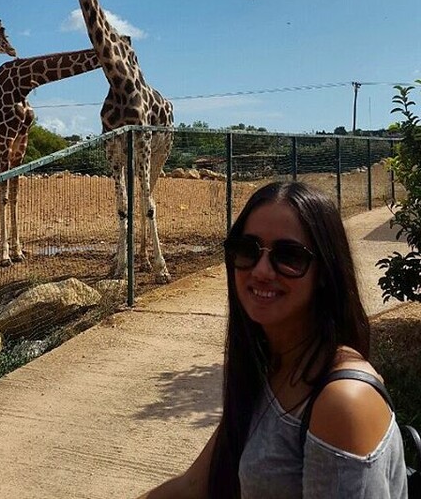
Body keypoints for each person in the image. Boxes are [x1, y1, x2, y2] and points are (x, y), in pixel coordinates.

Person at [136, 180, 407, 498]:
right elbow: (193, 486)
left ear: (323, 273)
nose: (262, 270)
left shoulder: (341, 403)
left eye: (289, 256)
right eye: (247, 250)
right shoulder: (272, 366)